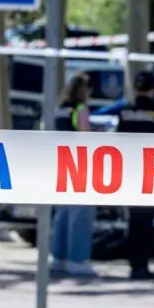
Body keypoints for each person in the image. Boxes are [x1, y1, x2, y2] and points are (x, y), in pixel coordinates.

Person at [118, 72, 154, 280]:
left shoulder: (125, 111)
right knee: (146, 221)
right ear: (152, 88)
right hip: (150, 172)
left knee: (134, 221)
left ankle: (134, 264)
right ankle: (143, 265)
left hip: (131, 171)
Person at [50, 72, 98, 277]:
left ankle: (58, 257)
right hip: (78, 165)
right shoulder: (80, 110)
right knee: (80, 213)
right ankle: (77, 259)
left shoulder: (59, 110)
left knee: (62, 213)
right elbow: (85, 136)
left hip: (60, 164)